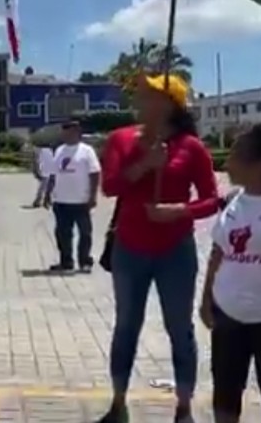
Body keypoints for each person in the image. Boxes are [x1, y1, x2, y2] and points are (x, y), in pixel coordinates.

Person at [97, 74, 218, 423]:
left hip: (175, 250)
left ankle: (184, 406)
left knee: (180, 328)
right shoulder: (121, 139)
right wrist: (144, 166)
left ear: (168, 103)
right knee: (126, 326)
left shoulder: (191, 147)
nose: (140, 97)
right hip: (130, 248)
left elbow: (211, 200)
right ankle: (118, 403)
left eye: (149, 93)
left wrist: (181, 210)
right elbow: (110, 186)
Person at [199, 124, 261, 423]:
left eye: (235, 155)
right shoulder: (233, 201)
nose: (227, 163)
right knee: (226, 393)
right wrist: (207, 299)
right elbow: (219, 252)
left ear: (260, 165)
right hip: (229, 315)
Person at [43, 121, 101, 273]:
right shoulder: (60, 150)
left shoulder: (86, 151)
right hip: (61, 200)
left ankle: (85, 261)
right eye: (64, 131)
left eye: (69, 131)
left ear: (77, 132)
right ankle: (66, 261)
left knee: (85, 233)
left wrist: (93, 196)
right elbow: (53, 174)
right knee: (62, 234)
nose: (66, 134)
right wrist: (47, 194)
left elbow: (95, 173)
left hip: (81, 200)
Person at [31, 143, 55, 208]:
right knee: (45, 187)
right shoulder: (47, 151)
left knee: (46, 187)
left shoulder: (46, 151)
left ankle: (44, 200)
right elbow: (38, 161)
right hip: (47, 170)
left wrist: (37, 170)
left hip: (48, 170)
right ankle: (39, 201)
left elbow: (37, 161)